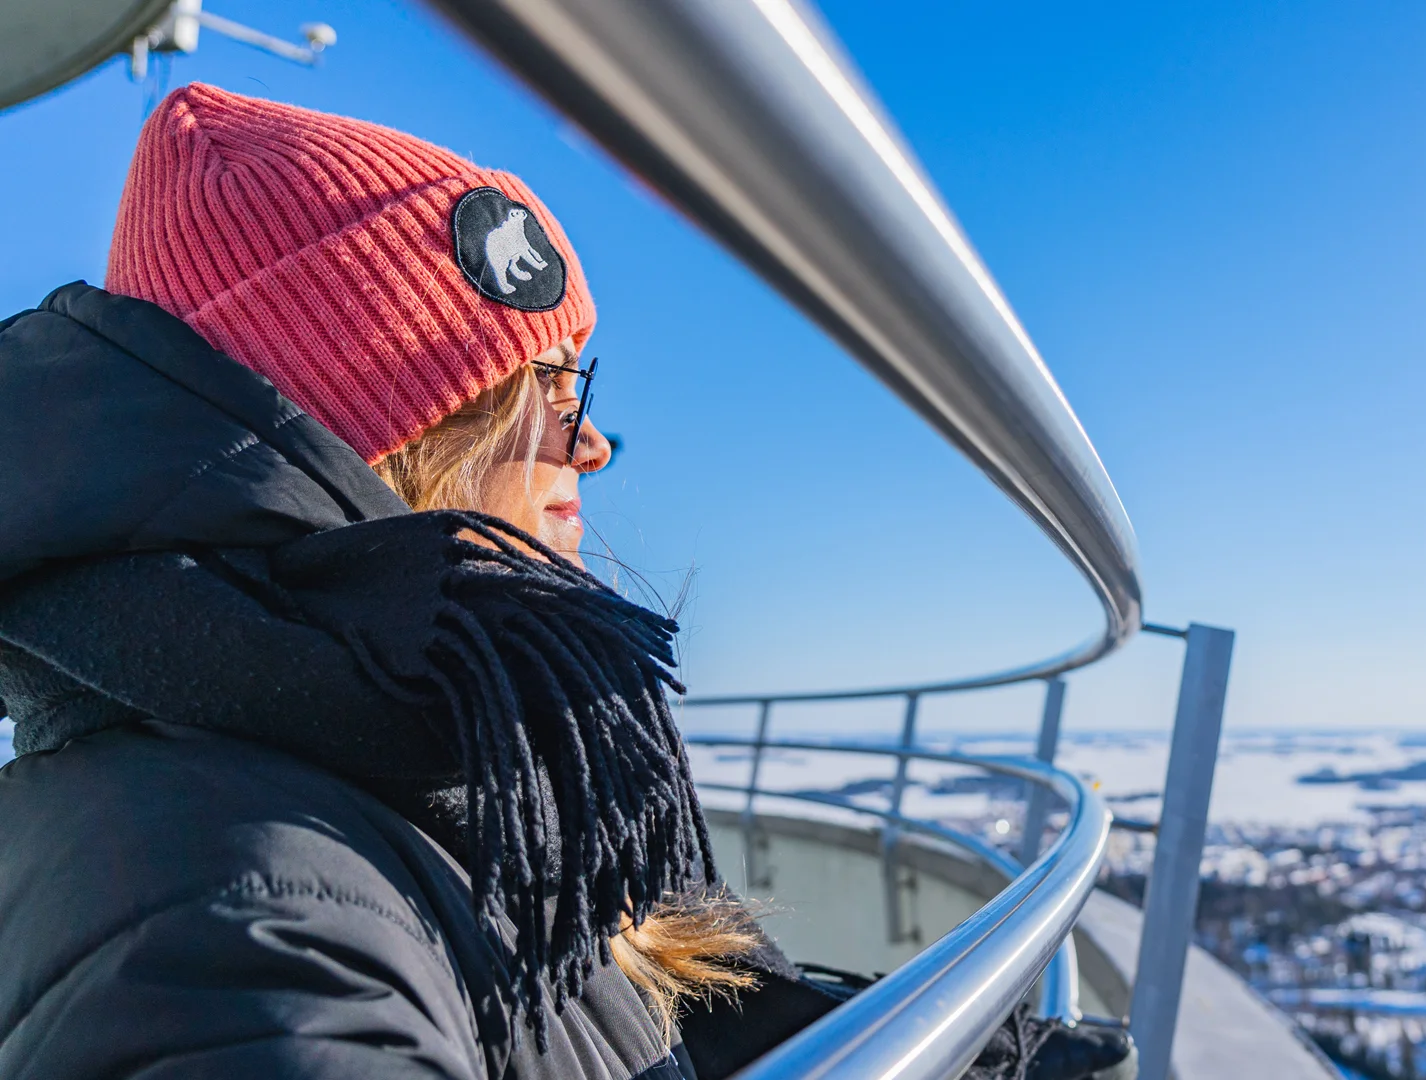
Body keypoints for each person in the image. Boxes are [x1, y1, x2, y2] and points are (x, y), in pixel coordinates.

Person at [0, 84, 1132, 1080]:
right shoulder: (217, 907)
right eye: (541, 388)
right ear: (395, 430)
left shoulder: (456, 751)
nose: (589, 447)